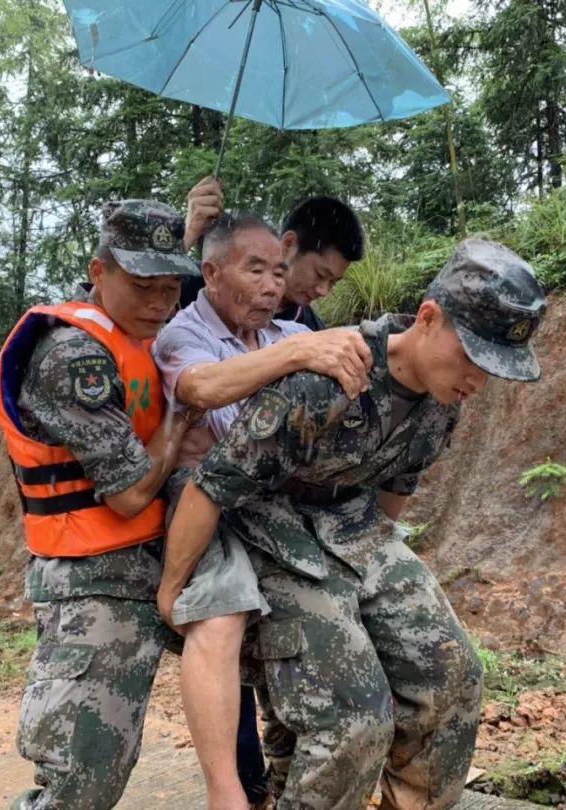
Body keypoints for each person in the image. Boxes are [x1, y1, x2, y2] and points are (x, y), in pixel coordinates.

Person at [159, 239, 548, 809]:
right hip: (274, 534)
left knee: (452, 679)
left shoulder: (444, 398)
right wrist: (173, 588)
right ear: (428, 318)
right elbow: (210, 488)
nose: (477, 382)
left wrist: (371, 587)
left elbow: (395, 491)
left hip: (355, 532)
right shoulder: (326, 381)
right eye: (472, 358)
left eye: (492, 369)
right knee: (353, 717)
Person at [152, 212, 373, 809]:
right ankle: (225, 794)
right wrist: (300, 354)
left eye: (280, 270)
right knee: (220, 615)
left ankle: (292, 768)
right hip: (205, 497)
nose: (274, 285)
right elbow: (203, 389)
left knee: (337, 603)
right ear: (211, 273)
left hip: (272, 501)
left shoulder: (279, 335)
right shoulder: (184, 333)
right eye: (256, 269)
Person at [0, 200, 201, 810]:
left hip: (162, 560)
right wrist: (179, 421)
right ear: (99, 271)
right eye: (144, 286)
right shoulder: (72, 356)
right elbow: (133, 494)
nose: (161, 303)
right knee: (83, 780)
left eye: (171, 287)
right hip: (95, 581)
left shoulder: (146, 336)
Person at [179, 176, 365, 331]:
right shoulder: (203, 284)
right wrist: (189, 233)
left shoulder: (310, 332)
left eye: (333, 282)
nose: (324, 291)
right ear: (288, 244)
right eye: (320, 275)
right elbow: (156, 293)